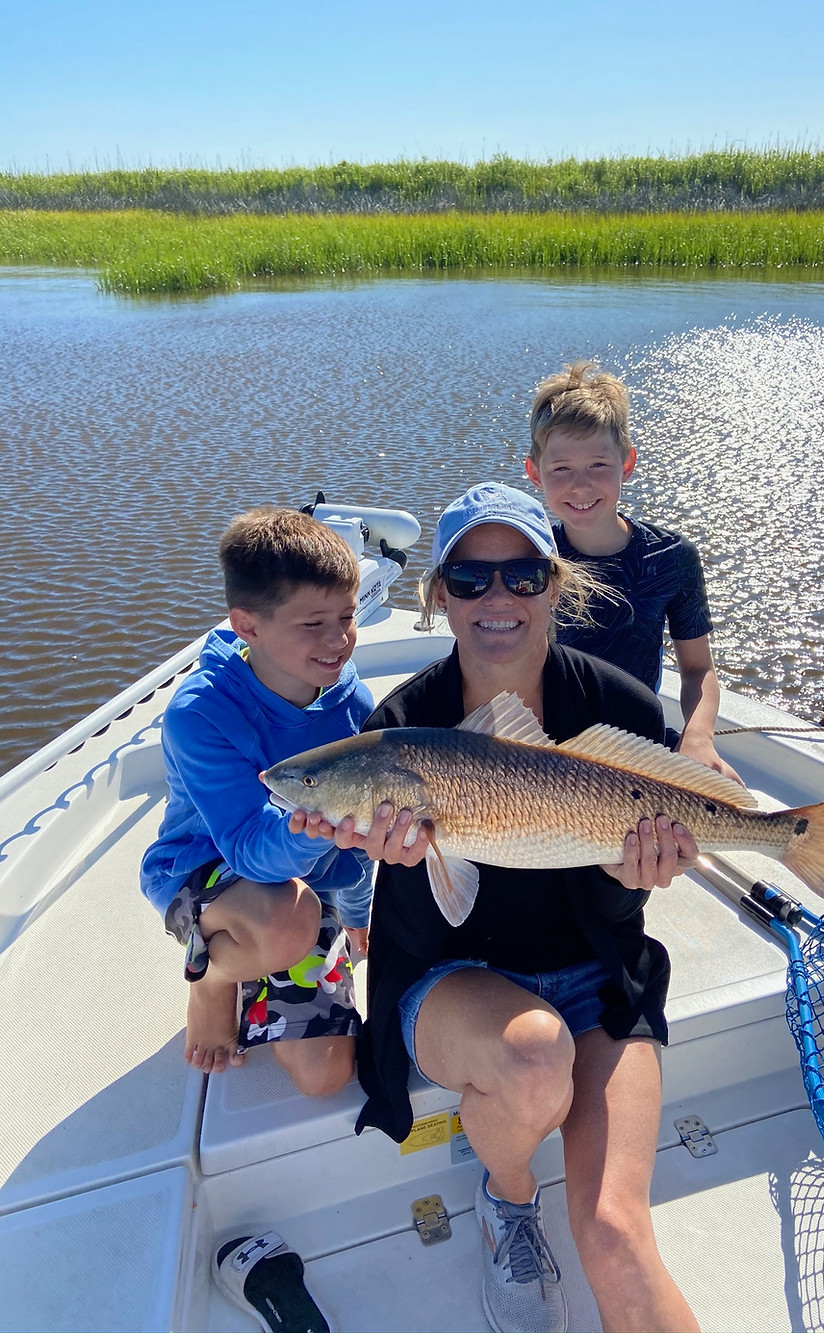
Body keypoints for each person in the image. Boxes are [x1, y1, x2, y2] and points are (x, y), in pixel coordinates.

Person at [323, 483, 702, 1333]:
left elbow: (614, 901)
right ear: (439, 596)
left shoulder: (620, 706)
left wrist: (635, 870)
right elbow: (423, 911)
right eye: (469, 578)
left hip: (599, 974)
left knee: (614, 1231)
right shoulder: (402, 726)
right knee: (533, 1055)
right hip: (455, 980)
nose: (497, 597)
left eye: (524, 575)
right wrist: (390, 857)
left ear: (556, 587)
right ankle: (509, 1197)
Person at [140, 507, 374, 1097]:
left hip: (305, 874)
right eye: (312, 623)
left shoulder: (352, 703)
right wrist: (320, 823)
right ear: (248, 626)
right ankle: (212, 977)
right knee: (287, 921)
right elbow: (245, 848)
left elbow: (360, 832)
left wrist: (357, 910)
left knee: (325, 1079)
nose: (337, 639)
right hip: (208, 871)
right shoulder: (201, 714)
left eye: (346, 616)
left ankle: (259, 963)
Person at [526, 360, 740, 782]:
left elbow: (698, 668)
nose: (581, 486)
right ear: (536, 473)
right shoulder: (533, 558)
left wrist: (698, 737)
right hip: (548, 751)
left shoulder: (672, 558)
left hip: (639, 744)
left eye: (599, 466)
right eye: (561, 469)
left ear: (627, 463)